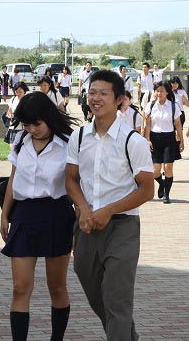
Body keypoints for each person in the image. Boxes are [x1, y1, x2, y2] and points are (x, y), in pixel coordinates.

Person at [66, 70, 154, 341]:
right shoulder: (78, 137)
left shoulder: (133, 141)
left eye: (103, 93)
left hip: (122, 228)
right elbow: (71, 180)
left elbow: (147, 189)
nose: (96, 98)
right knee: (96, 293)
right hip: (86, 226)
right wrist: (83, 208)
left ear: (119, 100)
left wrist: (109, 210)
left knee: (117, 298)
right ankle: (128, 335)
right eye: (92, 92)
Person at [0, 91, 78, 341]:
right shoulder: (21, 140)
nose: (32, 129)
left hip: (57, 215)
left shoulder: (68, 143)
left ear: (48, 117)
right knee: (20, 287)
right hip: (24, 215)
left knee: (56, 286)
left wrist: (78, 225)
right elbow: (13, 178)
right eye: (26, 124)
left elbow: (77, 186)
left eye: (37, 123)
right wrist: (5, 214)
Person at [144, 81, 184, 204]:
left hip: (169, 139)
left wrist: (181, 141)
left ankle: (167, 194)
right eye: (157, 91)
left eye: (161, 91)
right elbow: (147, 124)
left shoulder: (173, 106)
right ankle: (162, 183)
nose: (159, 93)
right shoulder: (150, 105)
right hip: (154, 139)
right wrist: (147, 139)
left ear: (167, 92)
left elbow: (178, 124)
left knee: (168, 167)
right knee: (155, 170)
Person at [5, 83, 29, 149]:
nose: (18, 94)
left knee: (23, 146)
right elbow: (9, 111)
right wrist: (10, 115)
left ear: (24, 92)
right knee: (12, 144)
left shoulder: (27, 100)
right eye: (16, 91)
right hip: (13, 126)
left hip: (24, 128)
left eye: (20, 92)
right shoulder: (13, 99)